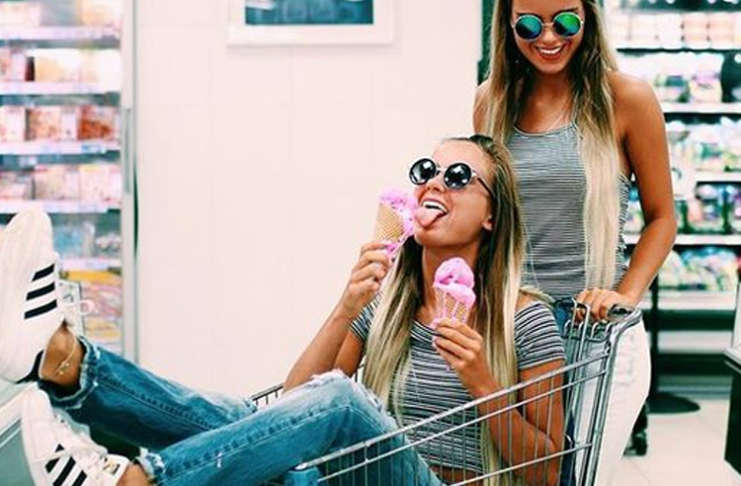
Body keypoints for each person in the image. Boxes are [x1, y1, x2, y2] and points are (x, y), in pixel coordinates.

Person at [3, 135, 566, 486]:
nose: (435, 184)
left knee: (344, 402)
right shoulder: (389, 304)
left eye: (459, 177)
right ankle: (63, 360)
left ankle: (136, 480)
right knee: (245, 417)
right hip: (353, 479)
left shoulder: (525, 319)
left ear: (491, 216)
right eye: (426, 171)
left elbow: (549, 471)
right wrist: (347, 306)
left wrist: (481, 380)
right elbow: (297, 408)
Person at [473, 1, 676, 485]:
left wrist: (625, 295)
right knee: (518, 477)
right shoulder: (491, 101)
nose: (548, 37)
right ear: (507, 27)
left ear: (588, 19)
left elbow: (662, 218)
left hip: (595, 330)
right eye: (529, 24)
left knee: (574, 477)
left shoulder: (626, 98)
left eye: (565, 20)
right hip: (516, 328)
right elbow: (490, 218)